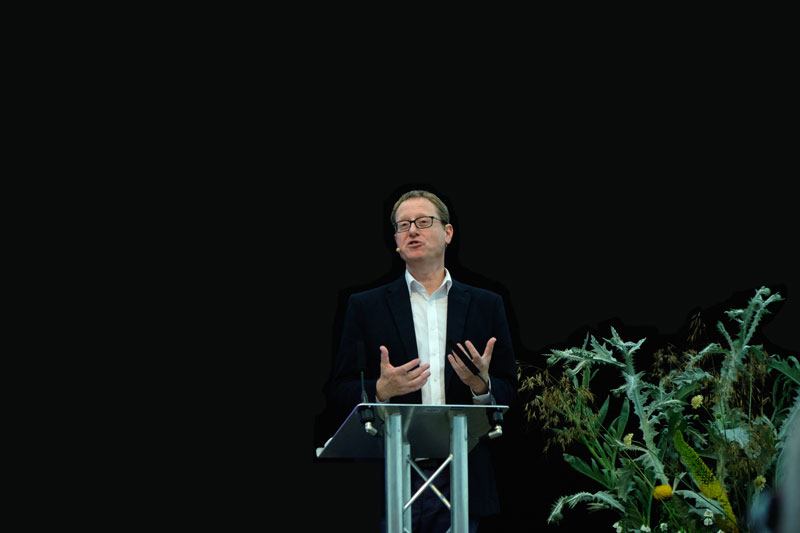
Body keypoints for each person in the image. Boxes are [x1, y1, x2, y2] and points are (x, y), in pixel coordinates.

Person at [326, 189, 518, 533]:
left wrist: (481, 388)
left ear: (448, 233)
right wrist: (380, 391)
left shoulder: (486, 304)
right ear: (397, 241)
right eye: (403, 225)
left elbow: (510, 390)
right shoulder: (365, 306)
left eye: (423, 222)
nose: (412, 230)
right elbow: (340, 390)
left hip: (465, 469)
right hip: (391, 472)